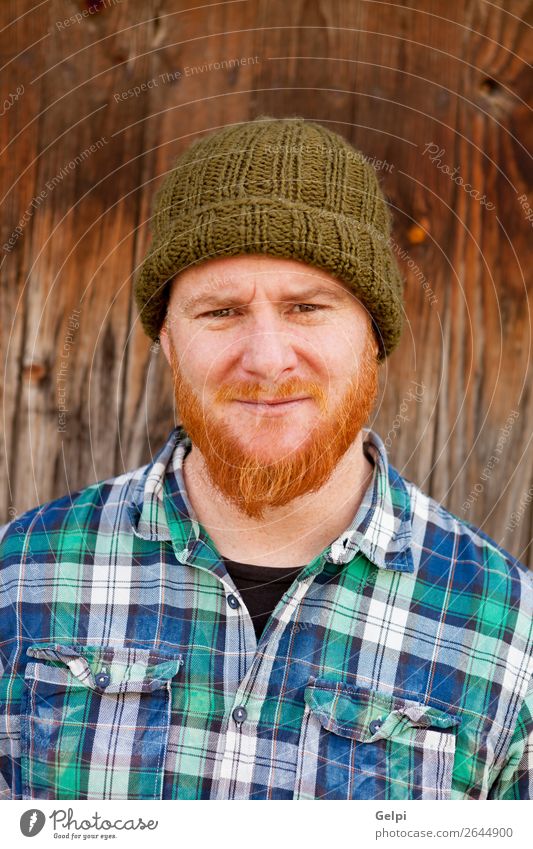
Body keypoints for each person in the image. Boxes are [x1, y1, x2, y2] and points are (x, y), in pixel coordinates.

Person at [0, 117, 531, 801]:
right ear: (167, 339)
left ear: (373, 334)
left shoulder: (505, 628)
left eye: (306, 307)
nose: (265, 358)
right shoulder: (22, 576)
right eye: (220, 312)